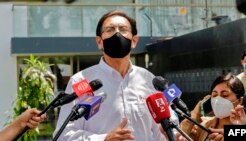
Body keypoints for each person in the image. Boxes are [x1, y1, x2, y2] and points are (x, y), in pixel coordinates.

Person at [53, 10, 179, 141]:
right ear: (99, 42)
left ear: (134, 40)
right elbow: (64, 135)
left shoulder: (148, 80)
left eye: (123, 29)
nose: (117, 34)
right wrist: (103, 139)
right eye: (110, 29)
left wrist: (174, 135)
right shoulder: (81, 81)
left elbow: (164, 130)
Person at [180, 73, 245, 141]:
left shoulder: (243, 129)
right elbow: (180, 135)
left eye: (225, 95)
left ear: (240, 100)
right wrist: (195, 115)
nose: (218, 100)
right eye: (214, 95)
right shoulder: (203, 126)